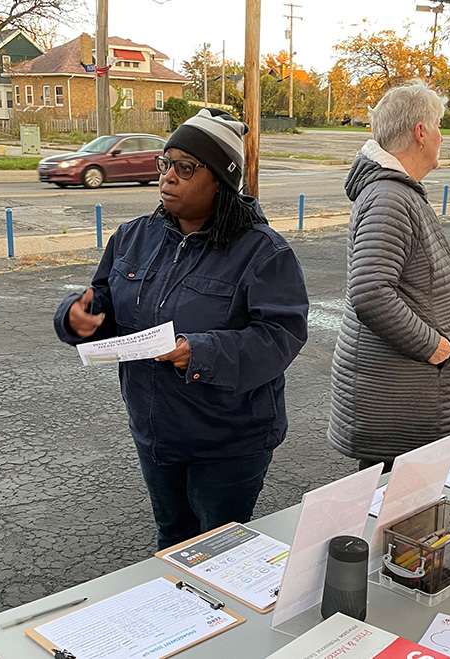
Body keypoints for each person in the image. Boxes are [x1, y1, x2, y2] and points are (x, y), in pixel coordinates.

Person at [54, 109, 309, 550]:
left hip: (228, 441)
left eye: (186, 168)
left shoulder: (263, 252)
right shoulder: (133, 237)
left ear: (221, 181)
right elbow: (107, 299)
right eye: (165, 163)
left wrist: (202, 352)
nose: (168, 177)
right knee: (172, 539)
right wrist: (78, 317)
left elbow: (280, 337)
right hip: (156, 431)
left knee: (218, 548)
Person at [327, 80, 450, 470]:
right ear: (420, 132)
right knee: (396, 501)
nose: (441, 136)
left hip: (399, 392)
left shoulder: (396, 192)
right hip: (395, 399)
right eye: (438, 126)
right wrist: (435, 348)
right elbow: (371, 293)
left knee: (397, 502)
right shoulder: (389, 197)